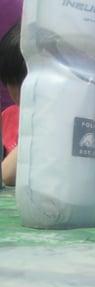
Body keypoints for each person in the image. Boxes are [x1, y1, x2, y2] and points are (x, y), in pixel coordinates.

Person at [0, 0, 24, 187]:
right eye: (10, 83)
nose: (16, 94)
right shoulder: (8, 116)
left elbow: (5, 175)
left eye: (22, 82)